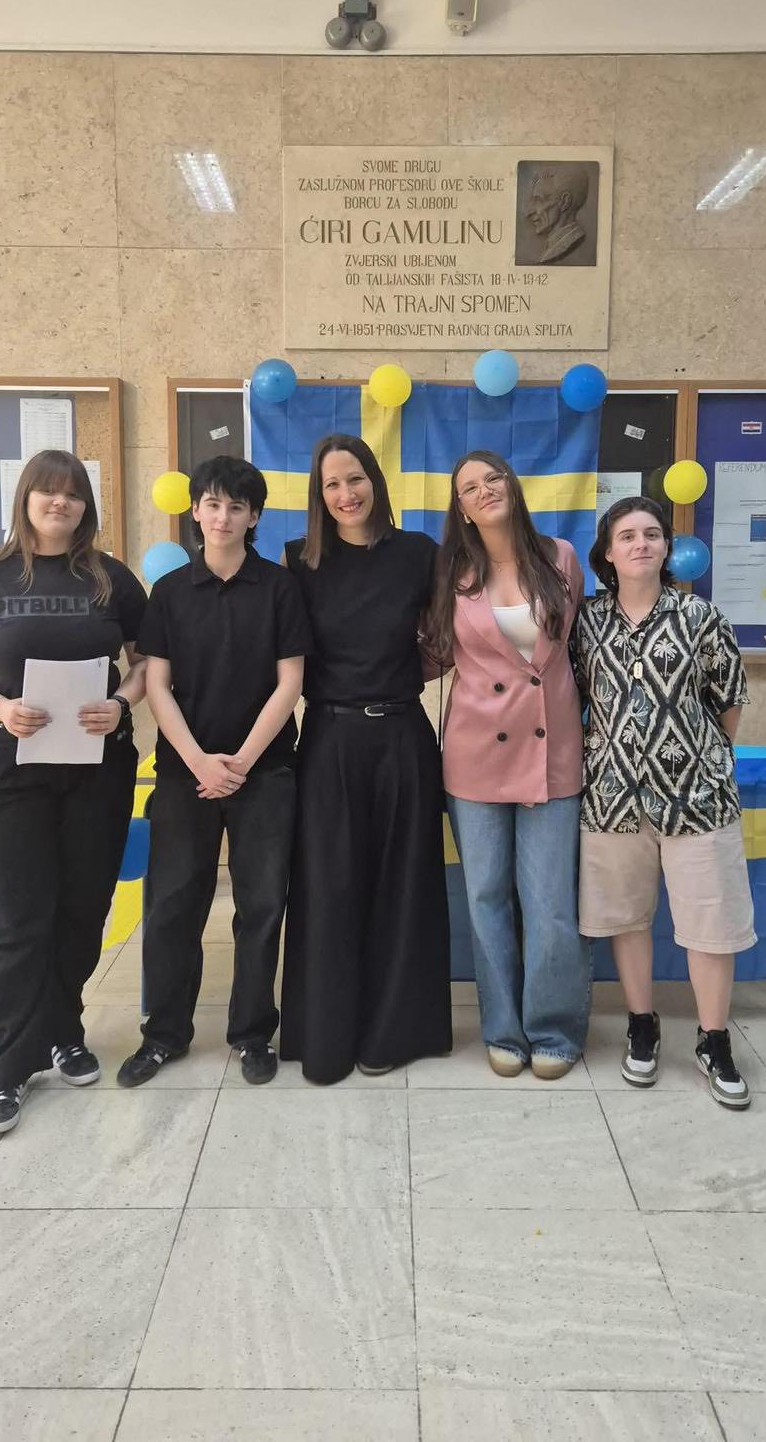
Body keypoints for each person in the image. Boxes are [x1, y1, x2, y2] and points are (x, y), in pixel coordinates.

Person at [0, 449, 147, 1136]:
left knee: (83, 910)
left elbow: (147, 664)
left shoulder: (111, 578)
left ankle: (64, 1031)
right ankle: (6, 1067)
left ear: (87, 505)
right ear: (25, 498)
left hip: (97, 768)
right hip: (10, 772)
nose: (61, 503)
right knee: (21, 919)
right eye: (48, 492)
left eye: (73, 494)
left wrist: (121, 702)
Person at [117, 457, 311, 1089]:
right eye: (212, 504)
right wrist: (201, 761)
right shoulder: (171, 592)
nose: (222, 516)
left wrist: (242, 762)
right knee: (173, 903)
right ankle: (164, 1034)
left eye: (236, 506)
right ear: (195, 511)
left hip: (266, 770)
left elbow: (290, 683)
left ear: (254, 517)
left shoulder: (280, 588)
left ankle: (252, 1032)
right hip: (185, 773)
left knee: (262, 905)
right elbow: (157, 684)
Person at [280, 433, 452, 1083]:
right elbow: (284, 658)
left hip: (403, 735)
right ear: (318, 495)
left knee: (402, 888)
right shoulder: (299, 561)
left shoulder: (418, 554)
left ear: (375, 481)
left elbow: (449, 640)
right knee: (329, 888)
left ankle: (392, 1033)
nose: (346, 494)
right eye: (332, 484)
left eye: (355, 479)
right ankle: (325, 1034)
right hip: (329, 739)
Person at [572, 495, 755, 1109]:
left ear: (668, 548)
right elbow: (577, 697)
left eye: (652, 534)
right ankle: (642, 1025)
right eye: (627, 536)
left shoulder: (701, 616)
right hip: (612, 795)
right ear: (607, 552)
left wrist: (701, 760)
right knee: (626, 918)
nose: (641, 544)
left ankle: (713, 1039)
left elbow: (729, 700)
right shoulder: (587, 622)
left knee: (710, 924)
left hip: (696, 798)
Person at [425, 450, 590, 1079]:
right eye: (469, 487)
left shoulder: (561, 558)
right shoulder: (453, 572)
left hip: (553, 752)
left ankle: (553, 1027)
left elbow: (578, 646)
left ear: (513, 486)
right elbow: (434, 652)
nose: (485, 490)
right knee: (486, 896)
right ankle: (502, 1028)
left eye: (493, 478)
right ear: (461, 509)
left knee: (549, 901)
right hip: (475, 755)